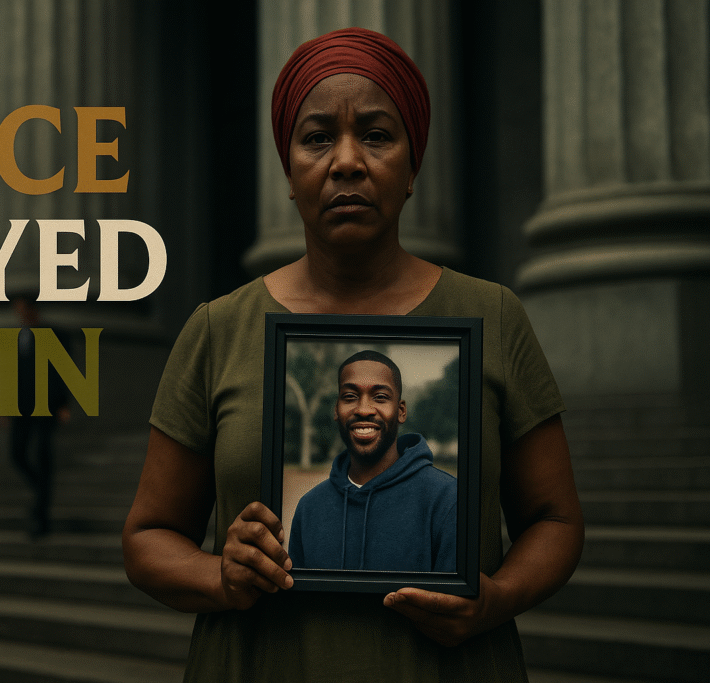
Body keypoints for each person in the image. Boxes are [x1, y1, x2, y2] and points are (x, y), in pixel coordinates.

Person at [122, 27, 584, 682]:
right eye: (317, 138)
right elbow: (146, 537)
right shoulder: (218, 329)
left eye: (376, 134)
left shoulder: (493, 317)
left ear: (413, 164)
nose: (346, 161)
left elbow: (557, 518)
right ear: (288, 171)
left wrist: (497, 599)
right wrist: (218, 573)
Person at [288, 350, 457, 572]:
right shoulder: (309, 507)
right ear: (336, 410)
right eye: (350, 397)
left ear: (401, 411)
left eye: (380, 397)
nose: (364, 410)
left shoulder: (446, 499)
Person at [8, 296, 70, 538]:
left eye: (23, 309)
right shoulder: (16, 338)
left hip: (47, 406)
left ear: (33, 309)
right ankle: (41, 490)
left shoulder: (53, 334)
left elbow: (63, 369)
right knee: (17, 454)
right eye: (17, 310)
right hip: (20, 407)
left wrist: (64, 403)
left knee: (44, 457)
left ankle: (40, 516)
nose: (20, 314)